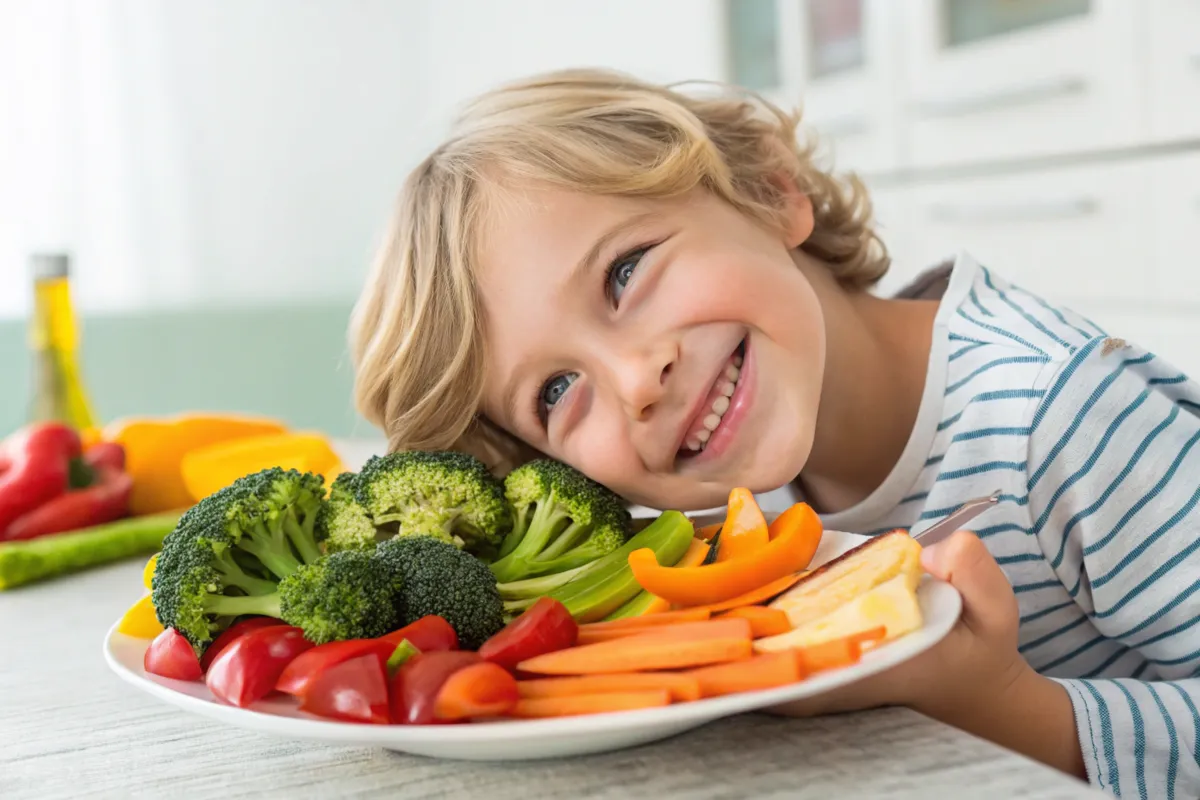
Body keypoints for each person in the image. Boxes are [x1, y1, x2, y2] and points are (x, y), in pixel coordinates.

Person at [349, 68, 1200, 797]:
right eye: (559, 390)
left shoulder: (1058, 414)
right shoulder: (734, 497)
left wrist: (1003, 703)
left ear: (769, 192)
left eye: (626, 271)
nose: (638, 383)